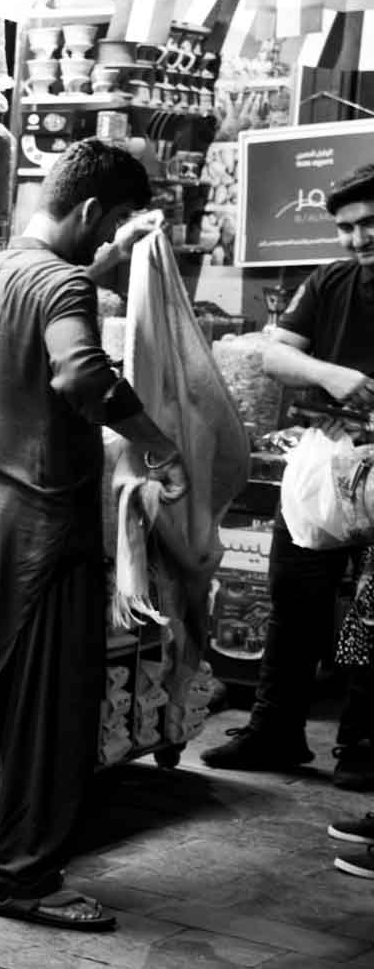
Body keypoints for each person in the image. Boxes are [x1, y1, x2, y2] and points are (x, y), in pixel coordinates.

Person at [0, 139, 186, 933]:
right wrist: (155, 439)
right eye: (111, 232)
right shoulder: (65, 284)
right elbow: (81, 374)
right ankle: (24, 879)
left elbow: (50, 306)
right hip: (43, 523)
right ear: (92, 212)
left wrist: (103, 271)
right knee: (50, 710)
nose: (108, 248)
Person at [195, 162, 374, 792]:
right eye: (348, 228)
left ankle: (363, 743)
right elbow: (273, 353)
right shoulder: (330, 280)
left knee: (370, 613)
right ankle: (276, 729)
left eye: (370, 222)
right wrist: (330, 375)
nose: (358, 239)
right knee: (294, 597)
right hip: (328, 460)